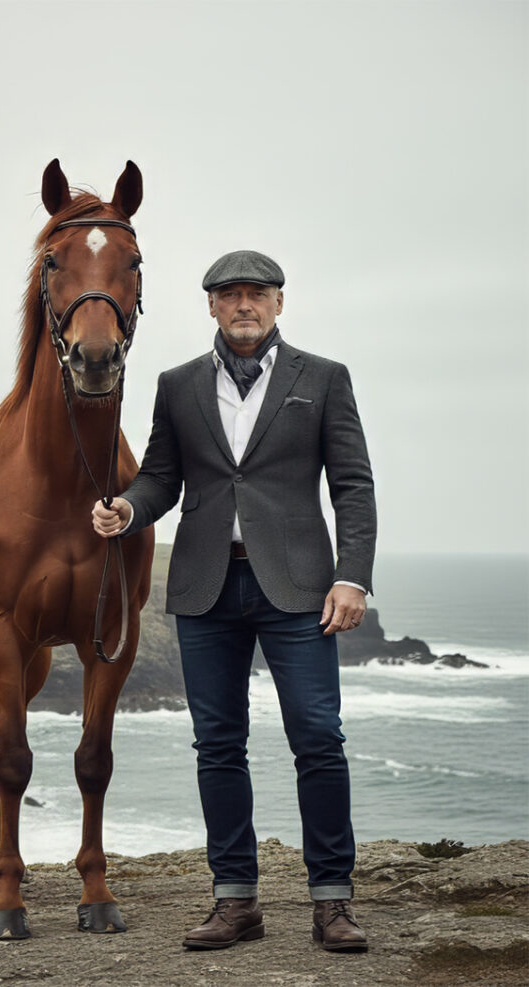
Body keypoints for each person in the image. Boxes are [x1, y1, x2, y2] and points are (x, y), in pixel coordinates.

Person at [92, 250, 376, 953]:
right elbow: (162, 477)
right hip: (205, 587)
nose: (244, 304)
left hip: (301, 590)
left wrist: (353, 576)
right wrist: (128, 508)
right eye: (230, 294)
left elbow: (353, 485)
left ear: (279, 302)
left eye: (257, 293)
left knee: (319, 738)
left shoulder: (324, 378)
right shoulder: (178, 384)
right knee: (218, 745)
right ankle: (235, 899)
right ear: (212, 305)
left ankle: (331, 900)